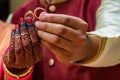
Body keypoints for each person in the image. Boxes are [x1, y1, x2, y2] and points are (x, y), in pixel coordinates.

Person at [0, 0, 120, 80]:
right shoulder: (15, 17)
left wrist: (88, 48)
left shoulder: (105, 3)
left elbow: (115, 39)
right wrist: (17, 69)